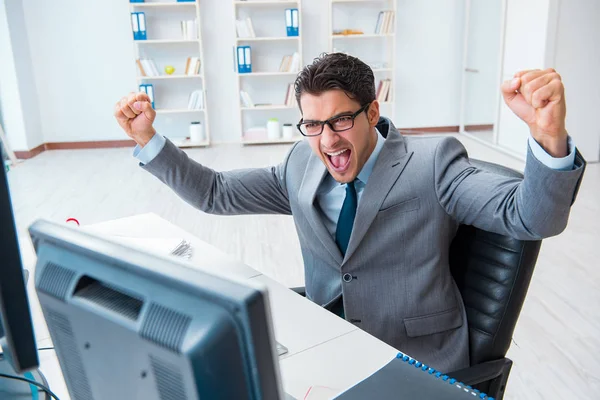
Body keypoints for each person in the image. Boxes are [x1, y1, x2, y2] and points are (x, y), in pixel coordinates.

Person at [114, 53, 585, 372]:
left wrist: (548, 137)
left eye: (341, 119)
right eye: (313, 124)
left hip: (414, 358)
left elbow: (532, 219)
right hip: (325, 343)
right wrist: (148, 140)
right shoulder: (300, 163)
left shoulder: (434, 162)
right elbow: (215, 193)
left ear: (373, 110)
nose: (328, 140)